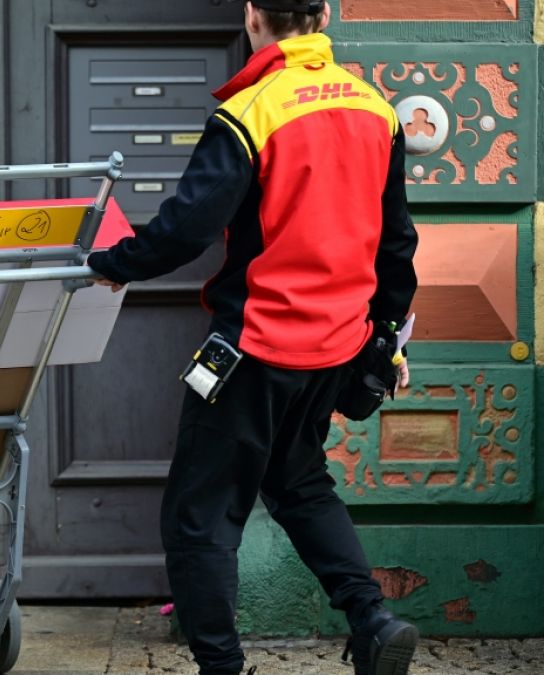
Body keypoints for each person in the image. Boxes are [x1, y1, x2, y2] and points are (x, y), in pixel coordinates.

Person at [85, 1, 419, 674]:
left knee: (198, 514)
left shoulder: (251, 112)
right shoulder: (375, 109)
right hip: (337, 346)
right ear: (323, 16)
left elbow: (186, 227)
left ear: (251, 16)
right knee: (297, 480)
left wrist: (113, 264)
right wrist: (389, 339)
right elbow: (398, 244)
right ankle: (372, 616)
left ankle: (221, 666)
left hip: (256, 346)